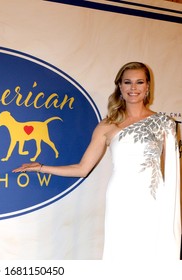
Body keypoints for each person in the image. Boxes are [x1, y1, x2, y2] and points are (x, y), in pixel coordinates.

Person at [13, 62, 181, 260]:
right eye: (127, 82)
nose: (133, 88)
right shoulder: (106, 126)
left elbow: (171, 172)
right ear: (120, 87)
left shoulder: (165, 123)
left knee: (153, 251)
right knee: (123, 252)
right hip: (121, 198)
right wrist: (41, 168)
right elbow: (82, 168)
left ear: (147, 87)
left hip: (154, 199)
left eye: (139, 82)